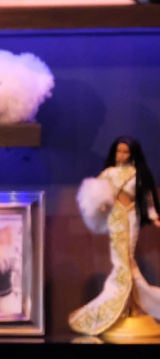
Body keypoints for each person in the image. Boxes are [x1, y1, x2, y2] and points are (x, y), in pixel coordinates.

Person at [69, 135, 160, 336]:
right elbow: (97, 193)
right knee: (122, 262)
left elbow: (147, 198)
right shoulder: (108, 173)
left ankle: (128, 305)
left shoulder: (137, 174)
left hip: (131, 216)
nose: (122, 155)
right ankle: (130, 305)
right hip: (115, 218)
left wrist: (154, 217)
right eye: (119, 151)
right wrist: (100, 204)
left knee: (126, 260)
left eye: (126, 152)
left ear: (132, 154)